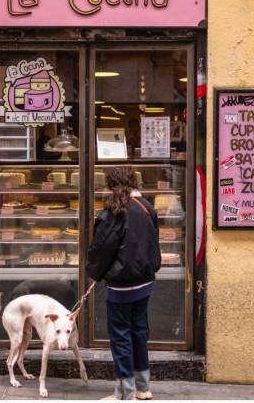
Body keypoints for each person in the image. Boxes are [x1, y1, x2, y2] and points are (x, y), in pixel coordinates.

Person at [86, 167, 161, 401]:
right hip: (145, 281)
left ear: (111, 185)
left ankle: (124, 393)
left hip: (121, 285)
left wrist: (94, 273)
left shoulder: (114, 211)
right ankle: (143, 388)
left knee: (120, 336)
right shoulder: (147, 208)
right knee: (139, 332)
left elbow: (101, 248)